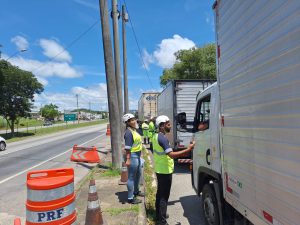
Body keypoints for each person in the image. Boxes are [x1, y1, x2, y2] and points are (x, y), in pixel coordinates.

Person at [153, 115, 195, 225]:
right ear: (161, 126)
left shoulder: (156, 136)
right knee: (164, 196)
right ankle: (162, 221)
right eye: (168, 124)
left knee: (160, 194)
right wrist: (188, 149)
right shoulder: (162, 138)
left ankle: (159, 214)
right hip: (165, 171)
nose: (170, 126)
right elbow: (171, 155)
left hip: (160, 169)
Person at [123, 113, 145, 204]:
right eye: (131, 120)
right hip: (132, 156)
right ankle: (130, 198)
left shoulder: (134, 130)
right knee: (131, 177)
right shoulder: (128, 133)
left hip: (137, 155)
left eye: (134, 119)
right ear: (127, 123)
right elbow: (127, 148)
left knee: (138, 174)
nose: (134, 121)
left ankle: (136, 191)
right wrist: (128, 159)